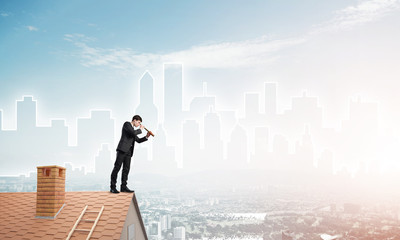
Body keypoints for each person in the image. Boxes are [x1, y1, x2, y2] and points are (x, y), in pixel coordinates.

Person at [110, 115, 150, 193]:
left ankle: (123, 187)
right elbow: (132, 132)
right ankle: (113, 187)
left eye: (140, 123)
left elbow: (138, 140)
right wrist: (140, 129)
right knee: (117, 168)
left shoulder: (133, 131)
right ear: (134, 120)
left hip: (129, 152)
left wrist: (146, 137)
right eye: (138, 122)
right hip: (122, 149)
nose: (139, 124)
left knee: (126, 169)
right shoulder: (127, 124)